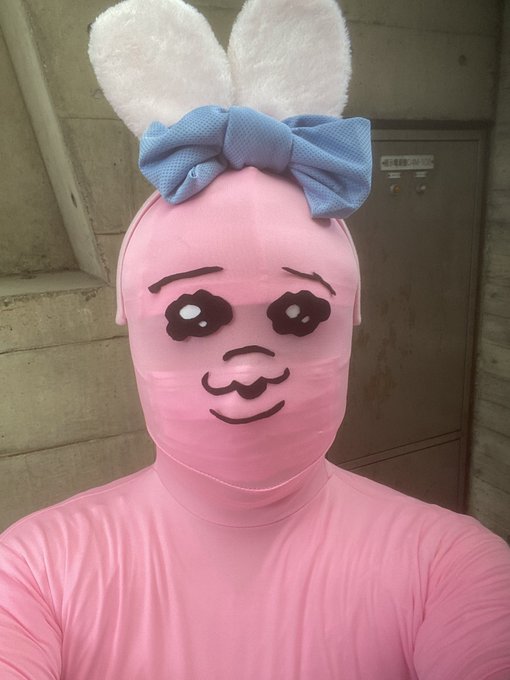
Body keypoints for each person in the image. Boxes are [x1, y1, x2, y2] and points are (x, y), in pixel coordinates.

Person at [1, 0, 509, 678]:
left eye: (299, 314)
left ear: (348, 326)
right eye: (192, 316)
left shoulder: (453, 567)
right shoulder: (33, 572)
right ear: (135, 333)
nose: (246, 371)